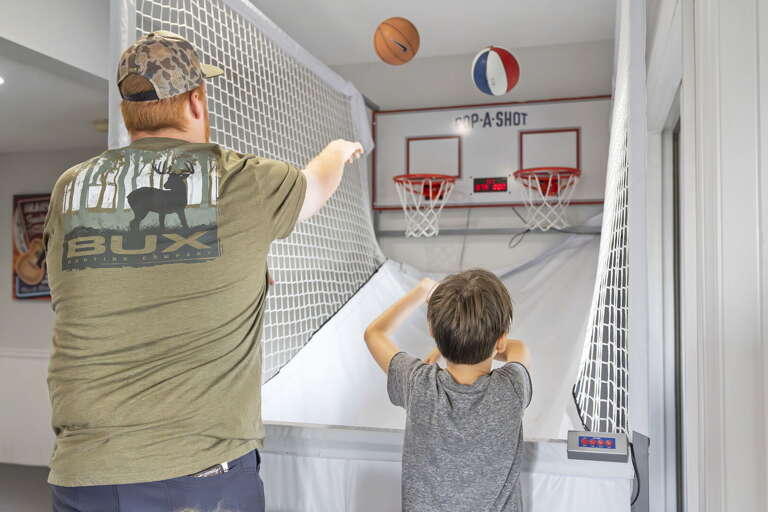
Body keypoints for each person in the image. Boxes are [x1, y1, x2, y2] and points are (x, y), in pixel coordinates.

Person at [43, 30, 363, 512]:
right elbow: (316, 185)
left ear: (129, 111)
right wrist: (339, 149)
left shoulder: (69, 189)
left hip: (83, 474)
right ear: (195, 100)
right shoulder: (243, 179)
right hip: (195, 476)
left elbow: (82, 290)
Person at [364, 270, 533, 512]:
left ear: (432, 331)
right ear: (500, 341)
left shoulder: (418, 383)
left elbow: (375, 334)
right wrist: (464, 343)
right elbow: (519, 348)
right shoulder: (513, 386)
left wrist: (423, 291)